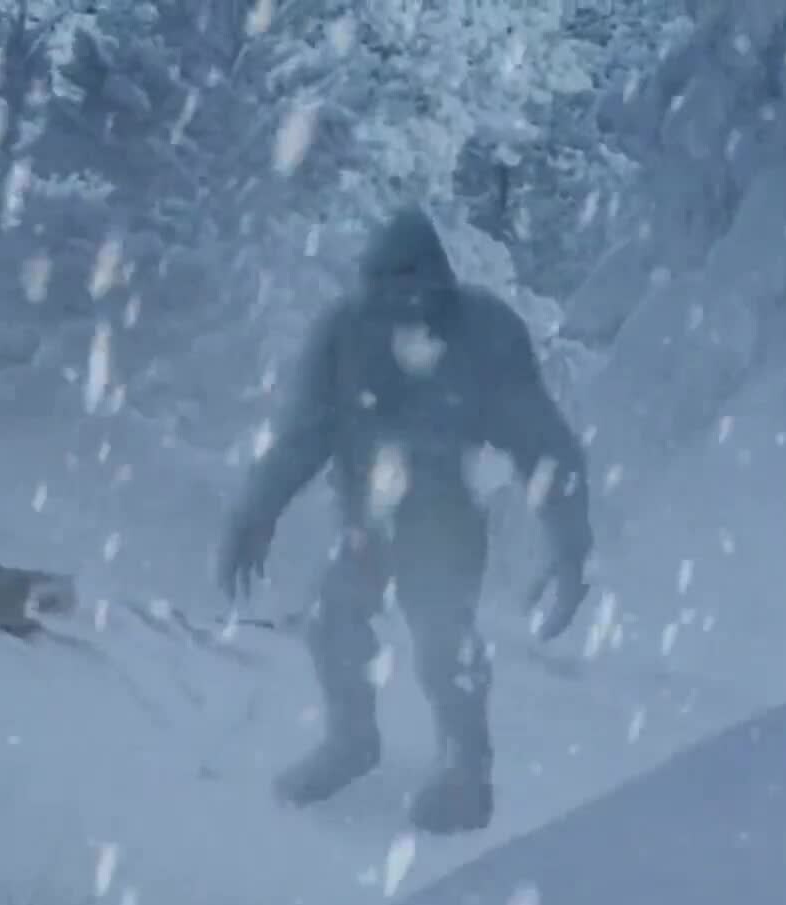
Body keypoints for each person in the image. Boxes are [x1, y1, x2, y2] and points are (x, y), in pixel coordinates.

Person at [216, 207, 594, 834]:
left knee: (443, 637)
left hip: (445, 517)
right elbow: (303, 439)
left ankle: (466, 770)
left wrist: (570, 548)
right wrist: (253, 518)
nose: (405, 299)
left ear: (438, 277)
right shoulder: (346, 333)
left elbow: (543, 445)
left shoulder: (483, 332)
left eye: (415, 282)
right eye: (391, 283)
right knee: (335, 624)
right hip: (368, 519)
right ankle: (353, 741)